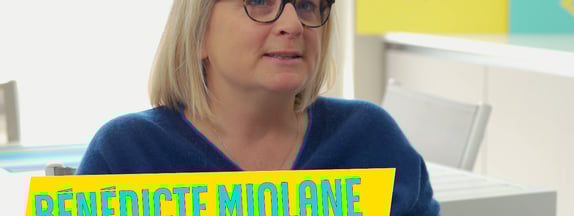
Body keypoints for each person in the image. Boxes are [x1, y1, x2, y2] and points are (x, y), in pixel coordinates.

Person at [76, 0, 439, 214]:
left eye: (307, 4)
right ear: (199, 32)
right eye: (259, 0)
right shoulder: (125, 154)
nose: (293, 24)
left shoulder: (372, 140)